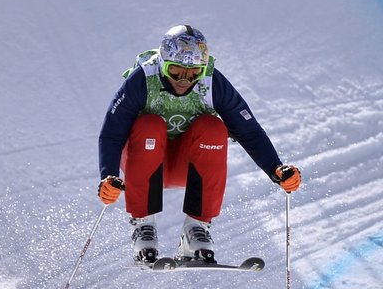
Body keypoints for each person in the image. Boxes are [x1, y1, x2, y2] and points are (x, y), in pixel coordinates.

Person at [97, 24, 301, 264]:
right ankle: (143, 225)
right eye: (175, 71)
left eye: (193, 72)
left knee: (213, 128)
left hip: (187, 165)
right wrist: (108, 175)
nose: (184, 80)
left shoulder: (212, 82)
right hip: (143, 162)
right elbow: (112, 132)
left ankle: (196, 228)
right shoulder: (143, 78)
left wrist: (276, 169)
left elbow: (249, 131)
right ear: (163, 63)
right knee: (149, 124)